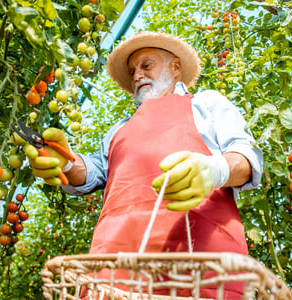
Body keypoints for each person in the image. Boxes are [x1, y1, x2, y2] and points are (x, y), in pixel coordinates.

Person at [30, 31, 263, 299]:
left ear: (176, 67)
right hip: (115, 262)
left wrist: (215, 170)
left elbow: (247, 157)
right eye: (132, 72)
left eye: (146, 66)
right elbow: (93, 173)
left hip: (196, 255)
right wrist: (67, 162)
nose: (137, 76)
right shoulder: (118, 130)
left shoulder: (205, 104)